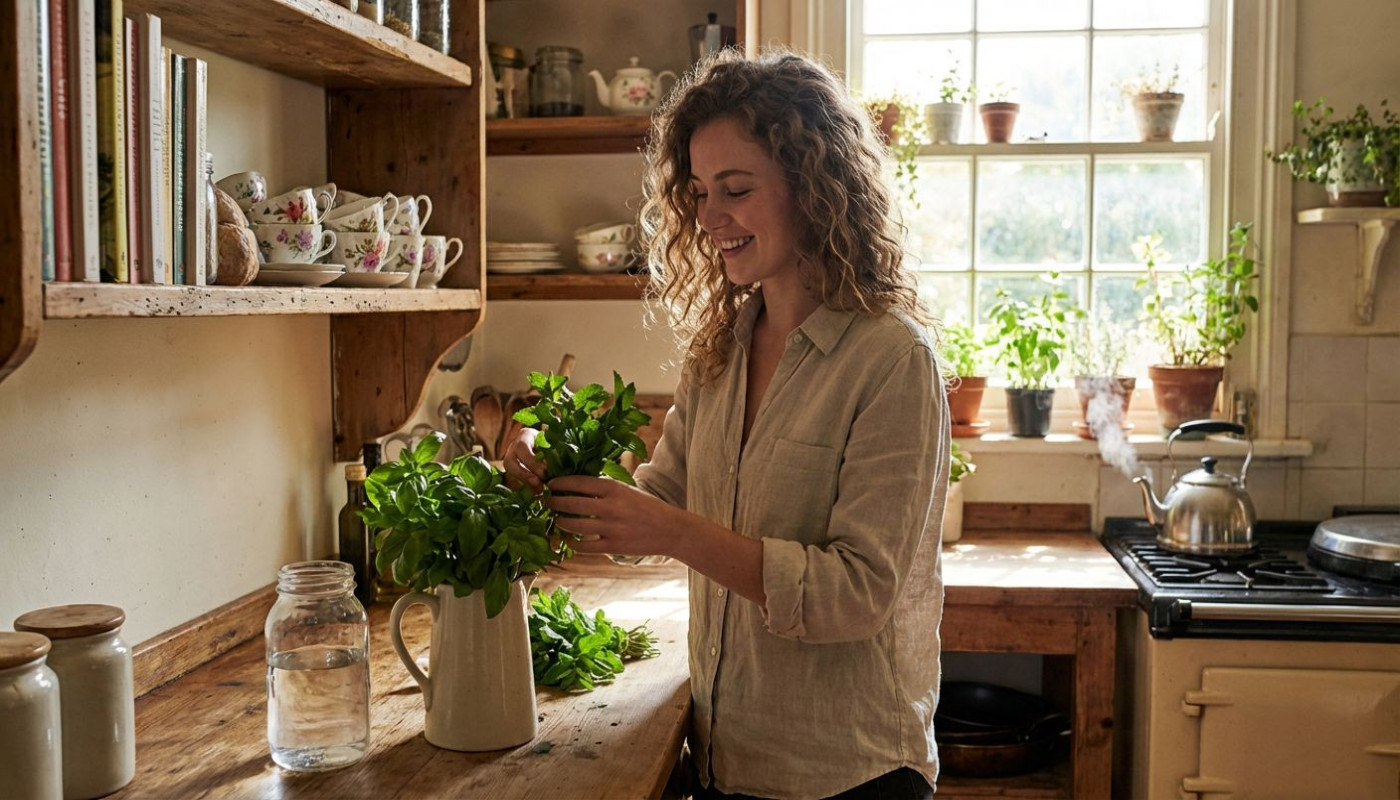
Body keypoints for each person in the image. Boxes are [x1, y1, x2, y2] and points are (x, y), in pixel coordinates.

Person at [503, 48, 950, 800]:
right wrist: (557, 475)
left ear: (815, 186)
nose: (710, 218)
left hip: (849, 774)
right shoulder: (721, 353)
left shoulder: (891, 359)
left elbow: (856, 593)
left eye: (736, 189)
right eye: (700, 193)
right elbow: (656, 508)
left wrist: (672, 532)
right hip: (724, 758)